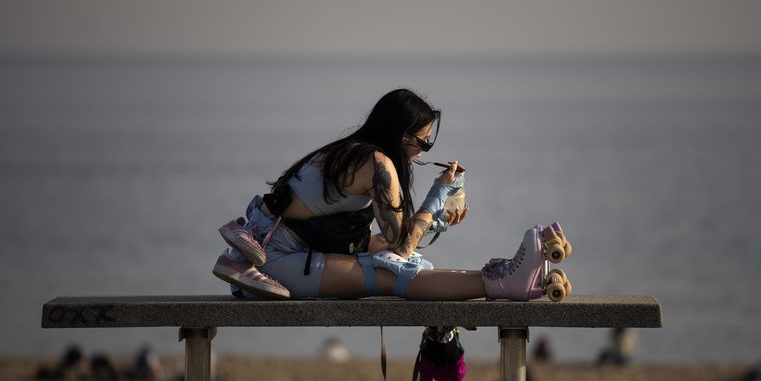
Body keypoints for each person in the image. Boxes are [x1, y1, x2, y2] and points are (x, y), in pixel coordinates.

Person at [213, 88, 570, 301]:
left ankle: (509, 276)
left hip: (279, 249)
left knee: (398, 262)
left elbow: (374, 241)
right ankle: (502, 282)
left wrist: (439, 221)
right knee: (390, 273)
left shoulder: (353, 152)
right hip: (268, 264)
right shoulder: (376, 164)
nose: (424, 149)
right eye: (422, 140)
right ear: (400, 134)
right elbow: (402, 246)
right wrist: (438, 195)